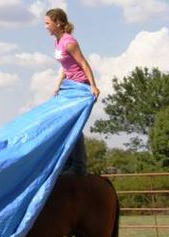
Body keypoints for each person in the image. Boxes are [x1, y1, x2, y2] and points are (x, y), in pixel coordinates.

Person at [45, 8, 100, 176]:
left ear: (58, 23)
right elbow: (65, 66)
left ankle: (79, 166)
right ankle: (68, 163)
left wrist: (93, 85)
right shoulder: (57, 41)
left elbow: (83, 63)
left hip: (80, 85)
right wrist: (58, 84)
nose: (46, 27)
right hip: (69, 85)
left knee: (73, 123)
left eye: (48, 23)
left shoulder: (70, 42)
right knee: (65, 122)